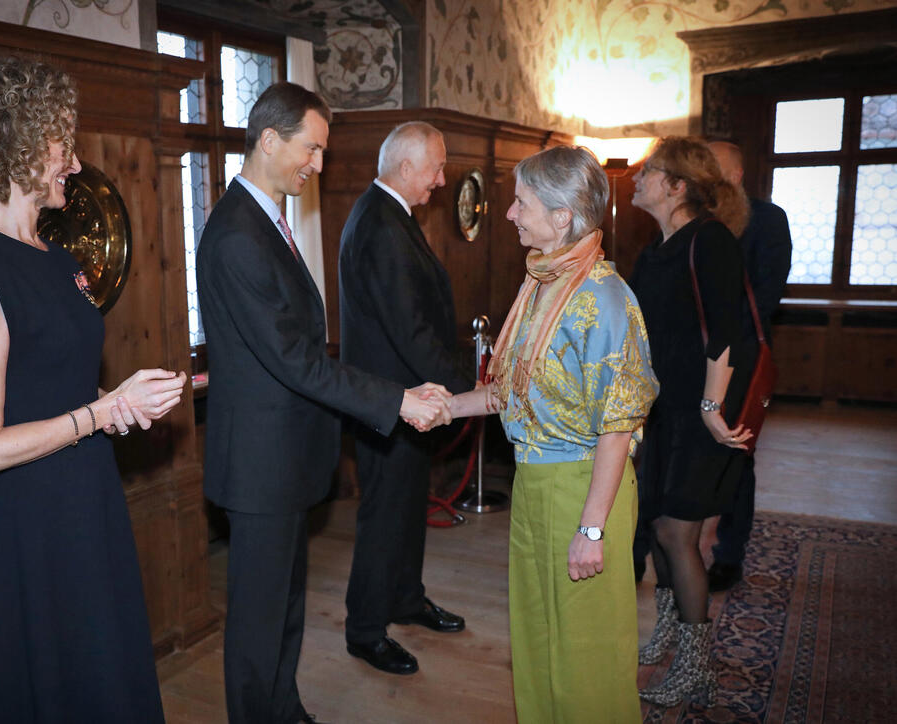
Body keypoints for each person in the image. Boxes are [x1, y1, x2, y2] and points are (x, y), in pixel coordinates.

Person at [0, 56, 186, 722]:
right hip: (24, 528)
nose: (74, 163)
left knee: (103, 680)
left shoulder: (56, 256)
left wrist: (124, 409)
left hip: (83, 502)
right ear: (22, 147)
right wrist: (102, 413)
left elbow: (61, 390)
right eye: (63, 144)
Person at [195, 82, 452, 724]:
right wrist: (395, 398)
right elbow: (295, 360)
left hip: (285, 458)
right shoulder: (235, 234)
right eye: (311, 149)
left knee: (284, 609)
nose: (318, 164)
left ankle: (285, 710)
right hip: (260, 465)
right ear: (270, 139)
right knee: (258, 625)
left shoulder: (266, 221)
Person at [449, 145, 658, 722]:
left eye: (521, 202)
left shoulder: (603, 297)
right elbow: (512, 391)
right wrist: (445, 407)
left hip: (586, 489)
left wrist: (591, 528)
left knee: (588, 657)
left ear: (563, 217)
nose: (511, 214)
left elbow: (617, 427)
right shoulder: (542, 282)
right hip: (534, 486)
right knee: (538, 642)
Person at [338, 122, 474, 676]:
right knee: (384, 517)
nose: (442, 181)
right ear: (405, 167)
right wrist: (468, 391)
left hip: (408, 401)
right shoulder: (382, 224)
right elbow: (410, 330)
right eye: (436, 168)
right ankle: (365, 630)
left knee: (406, 510)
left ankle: (405, 598)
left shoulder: (390, 214)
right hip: (390, 403)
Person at [628, 136, 756, 707]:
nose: (636, 176)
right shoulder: (653, 249)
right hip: (661, 412)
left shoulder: (710, 240)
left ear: (677, 185)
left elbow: (727, 330)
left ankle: (696, 664)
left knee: (680, 533)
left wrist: (710, 407)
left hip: (702, 414)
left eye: (649, 170)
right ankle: (668, 632)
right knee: (657, 524)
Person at [705, 140, 793, 592]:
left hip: (740, 357)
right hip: (692, 358)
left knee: (736, 455)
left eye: (713, 169)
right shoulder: (693, 219)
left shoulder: (768, 220)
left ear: (736, 176)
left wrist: (716, 339)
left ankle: (729, 554)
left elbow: (765, 294)